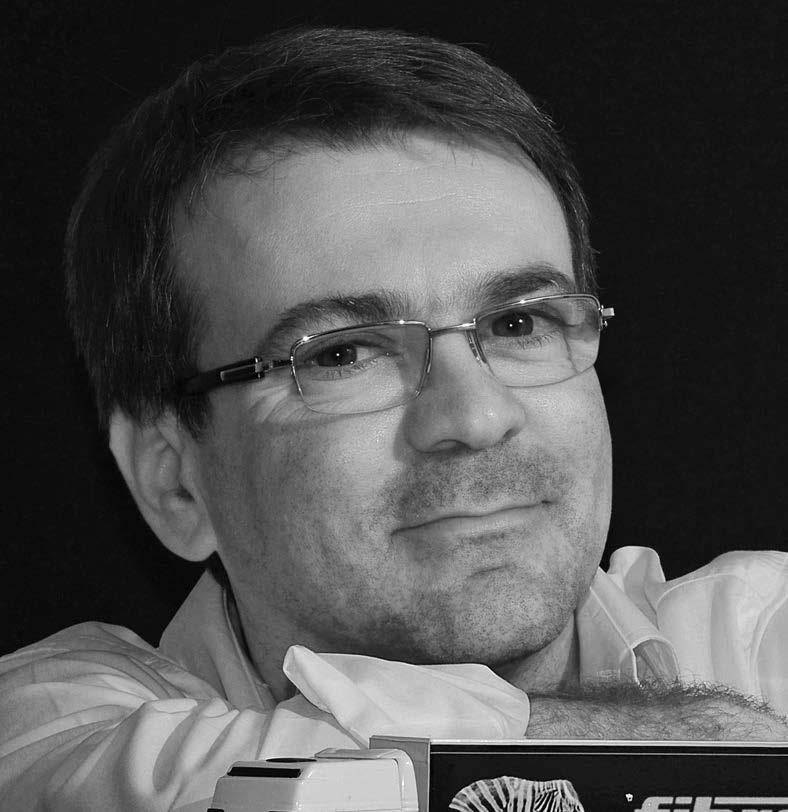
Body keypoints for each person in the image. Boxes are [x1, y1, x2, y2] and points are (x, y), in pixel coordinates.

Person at [1, 25, 786, 812]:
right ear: (173, 483)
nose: (477, 416)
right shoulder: (50, 737)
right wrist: (710, 743)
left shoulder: (762, 635)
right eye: (343, 354)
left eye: (519, 323)